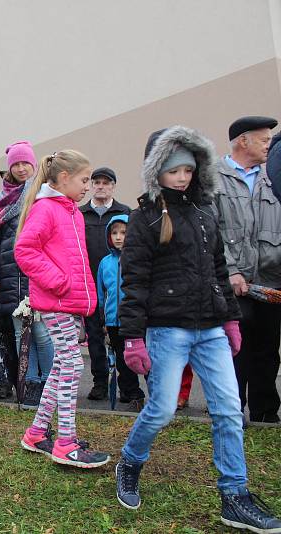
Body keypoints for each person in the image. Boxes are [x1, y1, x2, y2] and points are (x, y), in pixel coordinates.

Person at [114, 126, 281, 532]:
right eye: (174, 170)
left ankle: (234, 496)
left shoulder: (206, 213)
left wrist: (229, 319)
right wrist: (133, 337)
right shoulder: (144, 218)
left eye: (189, 169)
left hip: (211, 329)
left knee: (228, 411)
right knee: (161, 409)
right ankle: (130, 462)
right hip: (167, 330)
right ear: (158, 171)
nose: (183, 177)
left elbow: (219, 270)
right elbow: (133, 281)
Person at [15, 149, 110, 469]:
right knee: (72, 365)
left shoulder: (70, 212)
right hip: (56, 301)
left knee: (61, 368)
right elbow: (24, 250)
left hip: (66, 302)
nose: (88, 186)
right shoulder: (47, 210)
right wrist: (57, 282)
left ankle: (36, 432)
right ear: (64, 178)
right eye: (84, 180)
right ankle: (65, 443)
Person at [214, 115, 281, 424]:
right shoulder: (214, 177)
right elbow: (211, 229)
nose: (269, 145)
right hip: (235, 281)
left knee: (268, 350)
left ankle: (266, 413)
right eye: (264, 140)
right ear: (243, 141)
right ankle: (232, 412)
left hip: (270, 281)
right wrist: (229, 271)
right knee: (236, 349)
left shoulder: (273, 178)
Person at [0, 141, 55, 401]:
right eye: (16, 164)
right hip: (9, 278)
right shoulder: (1, 201)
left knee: (42, 333)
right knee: (18, 335)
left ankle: (51, 384)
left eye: (25, 163)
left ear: (34, 164)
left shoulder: (43, 194)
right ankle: (30, 386)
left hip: (37, 276)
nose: (21, 168)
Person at [79, 166, 131, 401]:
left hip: (118, 287)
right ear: (91, 185)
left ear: (113, 186)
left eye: (106, 182)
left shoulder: (125, 212)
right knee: (94, 336)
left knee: (122, 339)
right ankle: (100, 382)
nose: (101, 186)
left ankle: (127, 386)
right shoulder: (80, 213)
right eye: (96, 182)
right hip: (89, 284)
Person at [95, 214, 146, 411]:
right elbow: (101, 292)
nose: (118, 237)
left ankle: (151, 393)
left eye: (123, 232)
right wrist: (102, 320)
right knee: (122, 358)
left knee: (141, 358)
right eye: (114, 232)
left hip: (134, 320)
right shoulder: (105, 263)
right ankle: (130, 391)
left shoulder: (138, 259)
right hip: (112, 321)